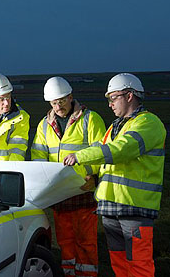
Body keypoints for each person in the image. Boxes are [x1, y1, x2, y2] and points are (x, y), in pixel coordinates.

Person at [63, 73, 166, 277]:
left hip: (134, 208)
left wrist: (79, 156)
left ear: (129, 96)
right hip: (111, 207)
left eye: (113, 97)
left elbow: (120, 150)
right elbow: (102, 156)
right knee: (119, 264)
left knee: (139, 265)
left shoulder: (148, 123)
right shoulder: (114, 126)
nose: (109, 104)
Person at [31, 76, 106, 277]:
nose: (58, 106)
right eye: (54, 102)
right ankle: (68, 273)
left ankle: (88, 274)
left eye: (62, 100)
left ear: (71, 97)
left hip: (84, 191)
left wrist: (94, 177)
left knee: (86, 241)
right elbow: (38, 155)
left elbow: (102, 152)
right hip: (60, 194)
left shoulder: (91, 119)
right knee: (65, 241)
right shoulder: (44, 126)